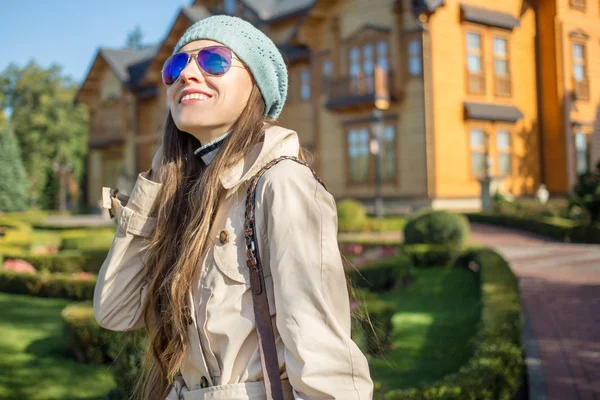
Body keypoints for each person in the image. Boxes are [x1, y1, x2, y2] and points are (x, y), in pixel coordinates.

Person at [94, 15, 374, 400]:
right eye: (176, 66)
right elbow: (115, 311)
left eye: (213, 61)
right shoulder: (183, 195)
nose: (187, 74)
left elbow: (324, 361)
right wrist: (157, 183)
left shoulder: (281, 184)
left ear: (255, 87)